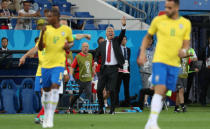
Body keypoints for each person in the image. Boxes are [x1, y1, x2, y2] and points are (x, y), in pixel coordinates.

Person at [137, 0, 191, 128]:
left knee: (163, 92)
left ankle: (150, 122)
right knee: (160, 88)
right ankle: (153, 122)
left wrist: (184, 51)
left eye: (170, 7)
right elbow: (147, 37)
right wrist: (142, 53)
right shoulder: (158, 20)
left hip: (174, 64)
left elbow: (186, 43)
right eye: (166, 7)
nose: (167, 10)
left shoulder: (185, 23)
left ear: (177, 7)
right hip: (160, 61)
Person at [38, 8, 73, 128]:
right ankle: (46, 114)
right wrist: (42, 33)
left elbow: (71, 43)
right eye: (47, 17)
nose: (47, 19)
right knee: (46, 92)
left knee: (55, 88)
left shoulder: (66, 29)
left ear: (56, 17)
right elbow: (40, 48)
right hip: (46, 65)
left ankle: (50, 117)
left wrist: (67, 45)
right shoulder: (46, 29)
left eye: (49, 16)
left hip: (59, 64)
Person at [94, 16, 126, 114]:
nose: (110, 32)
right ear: (106, 34)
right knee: (99, 89)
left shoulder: (117, 40)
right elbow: (97, 54)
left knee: (112, 90)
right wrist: (95, 62)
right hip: (104, 70)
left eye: (112, 31)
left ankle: (112, 109)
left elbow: (122, 34)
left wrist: (123, 26)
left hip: (114, 69)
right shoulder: (102, 44)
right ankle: (101, 108)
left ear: (114, 33)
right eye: (109, 31)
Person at [68, 42, 94, 112]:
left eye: (87, 46)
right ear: (81, 48)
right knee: (77, 95)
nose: (86, 48)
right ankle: (70, 107)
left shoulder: (90, 55)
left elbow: (92, 66)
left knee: (89, 94)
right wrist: (71, 76)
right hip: (79, 80)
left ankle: (86, 109)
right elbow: (72, 67)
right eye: (84, 47)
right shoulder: (78, 56)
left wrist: (94, 75)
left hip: (88, 79)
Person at [137, 38, 155, 110]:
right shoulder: (142, 49)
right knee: (146, 87)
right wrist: (140, 65)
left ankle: (153, 103)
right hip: (144, 71)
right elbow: (138, 59)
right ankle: (145, 102)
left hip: (153, 71)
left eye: (150, 40)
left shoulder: (155, 49)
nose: (149, 41)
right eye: (148, 40)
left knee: (151, 88)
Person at [115, 36, 131, 107]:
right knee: (117, 87)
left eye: (125, 39)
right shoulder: (118, 49)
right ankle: (116, 103)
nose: (124, 41)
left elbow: (128, 59)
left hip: (127, 70)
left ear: (126, 41)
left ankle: (127, 103)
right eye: (122, 39)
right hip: (119, 70)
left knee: (126, 87)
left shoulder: (128, 49)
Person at [199, 36, 210, 106]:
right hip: (205, 69)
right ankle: (202, 101)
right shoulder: (204, 48)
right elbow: (200, 58)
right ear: (209, 40)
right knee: (204, 86)